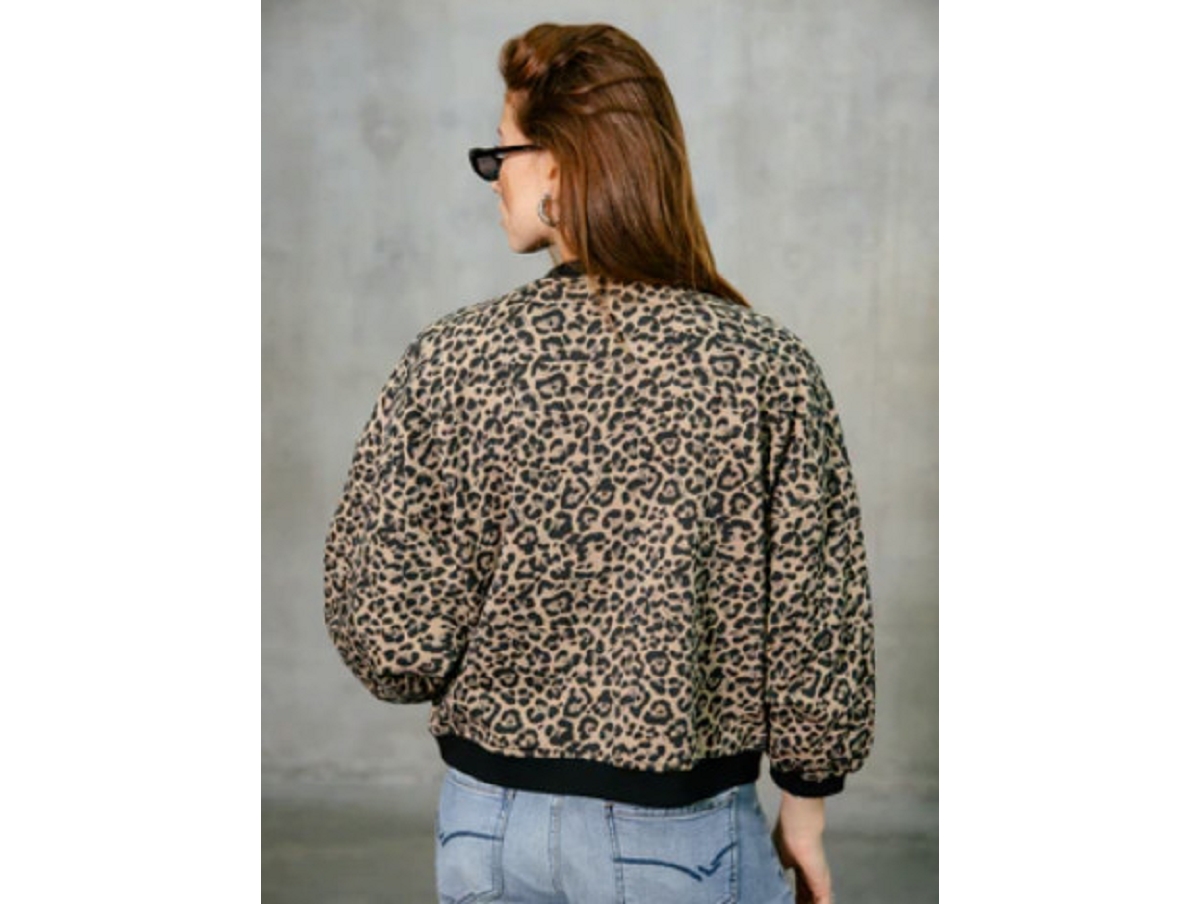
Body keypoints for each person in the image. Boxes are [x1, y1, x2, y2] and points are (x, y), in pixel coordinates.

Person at [324, 22, 874, 904]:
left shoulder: (455, 359)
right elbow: (818, 625)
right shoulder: (762, 367)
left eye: (500, 153)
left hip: (486, 827)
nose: (493, 177)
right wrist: (804, 814)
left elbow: (390, 637)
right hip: (680, 834)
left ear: (559, 164)